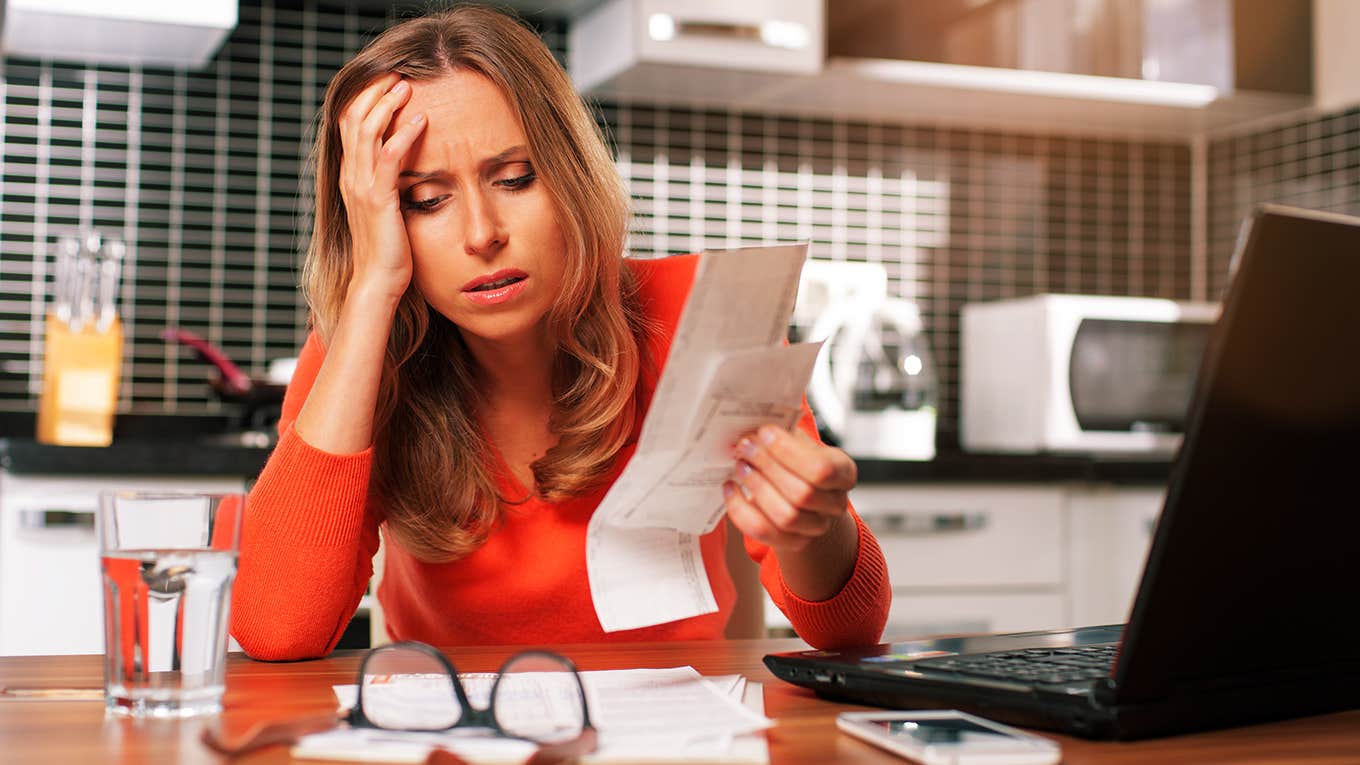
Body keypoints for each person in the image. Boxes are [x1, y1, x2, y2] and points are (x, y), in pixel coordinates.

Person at [230, 4, 890, 660]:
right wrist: (372, 284)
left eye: (515, 178)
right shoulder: (361, 352)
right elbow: (274, 628)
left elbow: (848, 631)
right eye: (426, 199)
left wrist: (813, 525)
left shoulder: (698, 317)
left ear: (569, 174)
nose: (482, 232)